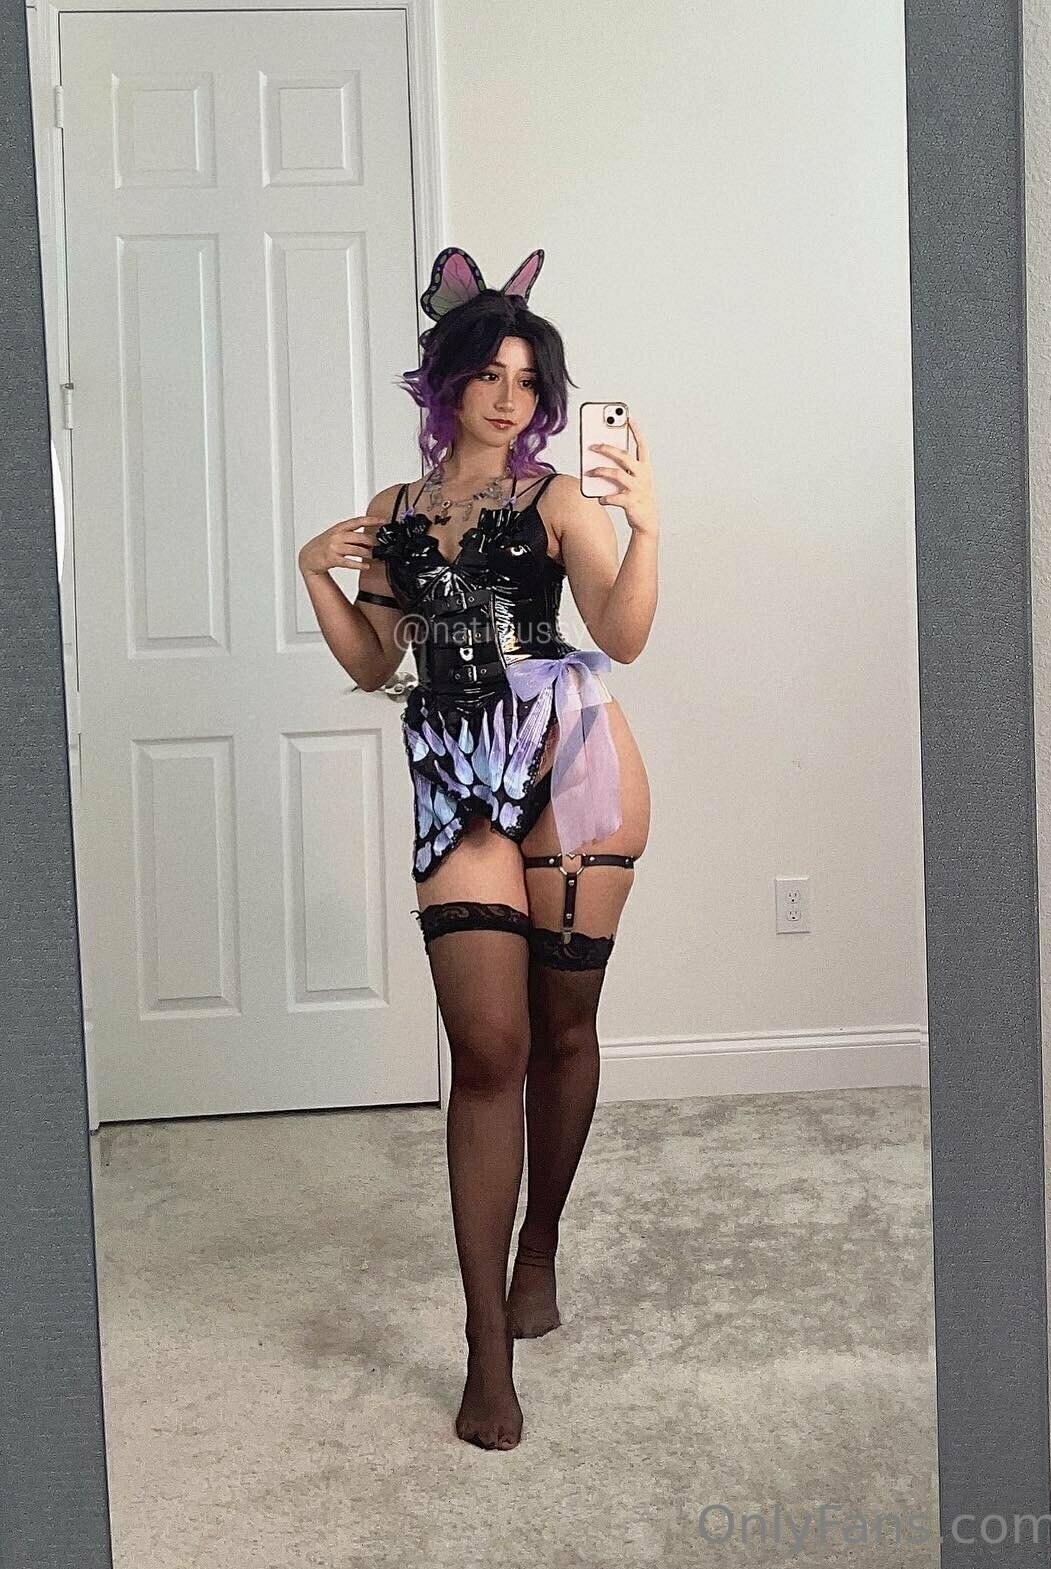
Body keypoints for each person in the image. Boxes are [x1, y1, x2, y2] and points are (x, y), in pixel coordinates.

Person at [298, 246, 657, 1451]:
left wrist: (644, 524)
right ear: (447, 382)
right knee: (489, 1049)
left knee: (564, 1027)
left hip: (571, 761)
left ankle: (539, 1247)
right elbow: (374, 662)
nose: (510, 399)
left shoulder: (556, 502)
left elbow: (622, 633)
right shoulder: (396, 513)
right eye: (489, 375)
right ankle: (484, 1344)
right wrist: (316, 575)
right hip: (457, 776)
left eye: (528, 380)